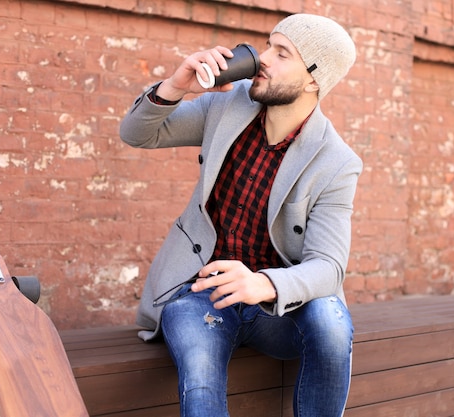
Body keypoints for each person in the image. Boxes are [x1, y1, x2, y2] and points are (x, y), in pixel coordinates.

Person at [120, 13, 362, 417]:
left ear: (314, 80)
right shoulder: (229, 106)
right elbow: (137, 133)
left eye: (281, 53)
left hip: (275, 310)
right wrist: (177, 85)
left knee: (332, 316)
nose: (263, 58)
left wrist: (263, 283)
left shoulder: (336, 162)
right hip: (202, 293)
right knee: (199, 369)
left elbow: (329, 267)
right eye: (268, 45)